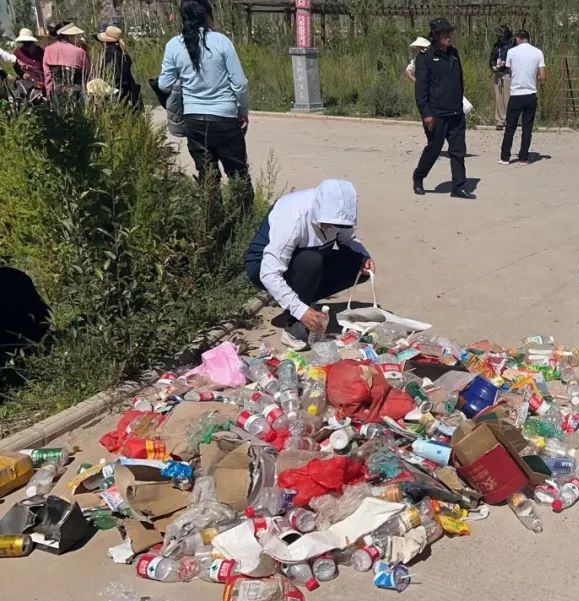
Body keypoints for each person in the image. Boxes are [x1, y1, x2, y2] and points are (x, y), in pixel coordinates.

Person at [244, 179, 373, 351]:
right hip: (262, 265)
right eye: (329, 223)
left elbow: (348, 239)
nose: (333, 228)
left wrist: (364, 256)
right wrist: (300, 310)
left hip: (308, 257)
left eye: (338, 225)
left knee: (356, 262)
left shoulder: (338, 214)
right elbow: (269, 273)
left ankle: (303, 298)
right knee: (311, 261)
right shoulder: (293, 218)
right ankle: (293, 325)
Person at [158, 0, 253, 212]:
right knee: (238, 175)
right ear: (207, 15)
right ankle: (245, 225)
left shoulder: (174, 45)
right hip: (225, 119)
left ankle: (212, 226)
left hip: (194, 122)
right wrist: (242, 111)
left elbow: (164, 84)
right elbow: (239, 83)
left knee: (208, 178)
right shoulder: (221, 42)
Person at [413, 18, 473, 199]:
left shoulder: (454, 53)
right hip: (436, 114)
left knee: (458, 150)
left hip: (455, 111)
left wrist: (460, 104)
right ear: (436, 36)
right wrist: (426, 113)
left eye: (450, 32)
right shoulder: (426, 57)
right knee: (434, 148)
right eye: (445, 33)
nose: (449, 36)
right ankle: (418, 177)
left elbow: (459, 81)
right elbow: (421, 89)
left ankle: (458, 186)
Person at [499, 30, 545, 165]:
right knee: (527, 127)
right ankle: (524, 157)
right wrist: (534, 78)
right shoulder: (538, 52)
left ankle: (505, 156)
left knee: (510, 127)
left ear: (518, 38)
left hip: (516, 94)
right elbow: (543, 76)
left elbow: (509, 69)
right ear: (528, 38)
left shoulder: (512, 52)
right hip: (530, 94)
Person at [42, 23, 90, 97]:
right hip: (76, 92)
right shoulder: (79, 51)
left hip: (56, 91)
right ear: (69, 36)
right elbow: (88, 72)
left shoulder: (48, 50)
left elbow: (47, 74)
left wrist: (49, 93)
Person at [97, 26, 139, 106]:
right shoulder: (120, 51)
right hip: (126, 91)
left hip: (117, 92)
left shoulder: (111, 53)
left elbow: (115, 75)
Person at [489, 25, 514, 130]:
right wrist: (493, 66)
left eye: (501, 34)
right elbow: (492, 58)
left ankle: (510, 120)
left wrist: (505, 64)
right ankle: (500, 120)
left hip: (507, 73)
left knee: (507, 97)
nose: (499, 37)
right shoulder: (496, 46)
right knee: (498, 98)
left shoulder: (511, 46)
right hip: (498, 74)